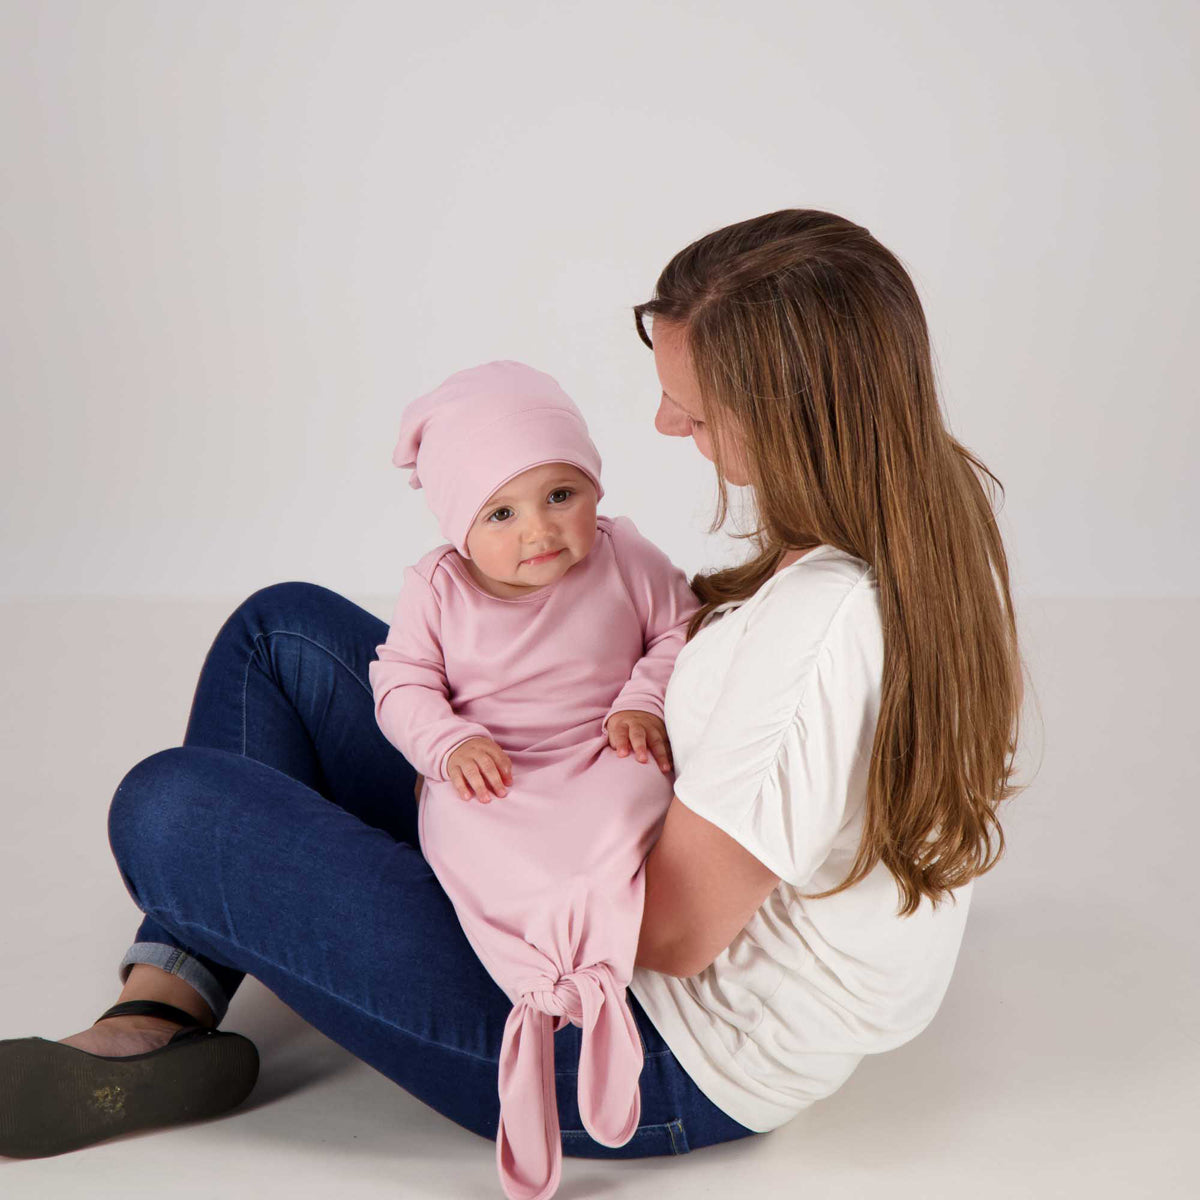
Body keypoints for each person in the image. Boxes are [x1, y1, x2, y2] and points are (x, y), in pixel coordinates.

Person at [0, 208, 1023, 1172]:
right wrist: (493, 765)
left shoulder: (813, 638)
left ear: (796, 414)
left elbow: (670, 933)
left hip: (633, 1038)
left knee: (169, 808)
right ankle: (168, 1005)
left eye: (696, 406)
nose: (666, 424)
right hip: (588, 835)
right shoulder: (915, 525)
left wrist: (500, 833)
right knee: (281, 637)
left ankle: (166, 1001)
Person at [371, 359, 700, 1200]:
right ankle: (535, 982)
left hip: (599, 747)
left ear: (594, 487)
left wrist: (642, 700)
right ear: (457, 525)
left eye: (562, 495)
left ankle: (593, 968)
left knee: (626, 813)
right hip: (498, 764)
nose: (539, 532)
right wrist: (446, 742)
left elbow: (678, 629)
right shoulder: (438, 587)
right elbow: (401, 681)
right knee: (469, 832)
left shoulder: (623, 553)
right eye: (502, 513)